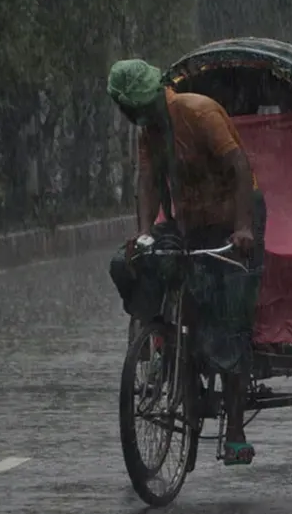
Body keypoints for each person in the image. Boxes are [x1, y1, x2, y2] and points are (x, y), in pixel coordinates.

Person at [107, 59, 261, 466]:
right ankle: (157, 336)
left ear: (159, 94)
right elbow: (147, 182)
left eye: (142, 107)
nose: (139, 116)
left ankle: (235, 429)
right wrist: (144, 233)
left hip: (233, 220)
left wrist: (244, 227)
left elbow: (240, 167)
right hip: (188, 223)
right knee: (128, 262)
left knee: (229, 318)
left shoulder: (199, 112)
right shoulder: (149, 133)